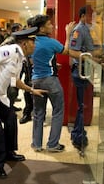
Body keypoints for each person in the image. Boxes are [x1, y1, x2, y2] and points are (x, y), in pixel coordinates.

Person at [0, 27, 47, 178]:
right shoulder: (11, 50)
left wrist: (32, 90)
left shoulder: (20, 58)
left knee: (11, 119)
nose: (35, 45)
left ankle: (9, 152)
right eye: (33, 42)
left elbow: (14, 80)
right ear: (24, 43)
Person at [30, 15, 79, 152]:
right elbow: (67, 51)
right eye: (49, 24)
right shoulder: (51, 42)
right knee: (58, 111)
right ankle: (52, 145)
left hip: (36, 80)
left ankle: (37, 144)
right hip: (51, 81)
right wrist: (68, 34)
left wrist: (50, 63)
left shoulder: (31, 42)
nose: (52, 26)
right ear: (41, 28)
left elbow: (32, 61)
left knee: (39, 113)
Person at [68, 5, 101, 150]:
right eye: (90, 16)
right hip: (81, 71)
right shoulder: (79, 30)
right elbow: (73, 51)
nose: (92, 19)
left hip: (86, 69)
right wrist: (90, 57)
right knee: (82, 106)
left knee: (83, 104)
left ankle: (78, 132)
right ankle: (78, 136)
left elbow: (88, 50)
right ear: (82, 16)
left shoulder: (87, 29)